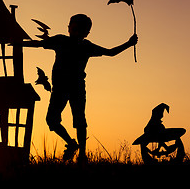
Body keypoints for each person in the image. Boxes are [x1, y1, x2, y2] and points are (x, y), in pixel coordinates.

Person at [23, 14, 138, 162]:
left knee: (72, 120)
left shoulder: (68, 42)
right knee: (63, 120)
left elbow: (110, 53)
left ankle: (80, 152)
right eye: (75, 28)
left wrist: (129, 44)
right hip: (68, 87)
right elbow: (110, 53)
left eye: (78, 29)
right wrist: (128, 44)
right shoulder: (66, 42)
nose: (75, 31)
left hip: (70, 87)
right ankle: (75, 146)